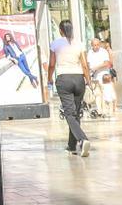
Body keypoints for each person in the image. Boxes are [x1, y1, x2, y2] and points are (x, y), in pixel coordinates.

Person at [47, 19, 92, 156]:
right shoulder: (79, 43)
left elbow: (52, 64)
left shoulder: (55, 43)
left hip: (64, 78)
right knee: (75, 113)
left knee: (69, 113)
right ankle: (71, 146)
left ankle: (82, 139)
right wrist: (88, 80)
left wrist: (49, 78)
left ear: (60, 30)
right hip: (79, 79)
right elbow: (84, 64)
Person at [86, 38, 112, 117]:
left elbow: (106, 63)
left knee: (105, 93)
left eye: (97, 45)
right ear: (92, 45)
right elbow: (88, 64)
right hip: (94, 77)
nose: (96, 46)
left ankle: (106, 110)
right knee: (97, 94)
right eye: (94, 45)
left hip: (103, 75)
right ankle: (99, 110)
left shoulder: (103, 52)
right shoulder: (90, 53)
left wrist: (96, 68)